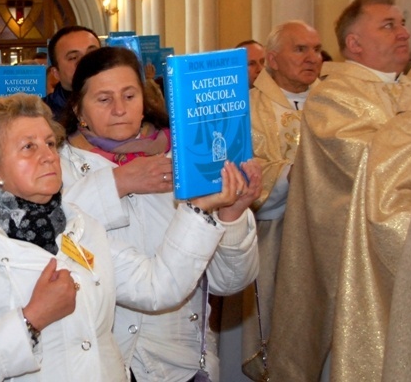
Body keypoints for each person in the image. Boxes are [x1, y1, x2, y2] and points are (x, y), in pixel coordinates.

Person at [0, 93, 253, 381]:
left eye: (50, 143)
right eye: (28, 147)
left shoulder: (79, 224)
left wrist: (201, 209)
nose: (48, 155)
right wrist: (32, 318)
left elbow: (157, 286)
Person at [58, 46, 261, 381]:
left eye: (129, 95)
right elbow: (59, 229)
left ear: (144, 99)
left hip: (178, 362)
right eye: (104, 99)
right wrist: (117, 182)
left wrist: (233, 215)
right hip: (100, 361)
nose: (120, 109)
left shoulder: (185, 160)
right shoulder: (58, 167)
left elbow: (229, 281)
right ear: (79, 108)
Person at [269, 0, 411, 381]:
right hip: (356, 273)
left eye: (402, 23)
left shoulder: (408, 90)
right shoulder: (332, 97)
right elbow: (371, 168)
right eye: (389, 25)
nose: (403, 33)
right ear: (354, 44)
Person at [221, 21, 323, 382]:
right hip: (268, 237)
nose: (313, 58)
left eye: (317, 50)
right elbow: (235, 166)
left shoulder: (335, 106)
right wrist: (290, 174)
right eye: (301, 49)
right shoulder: (245, 106)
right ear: (274, 60)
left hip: (324, 239)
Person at [43, 25, 101, 121]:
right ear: (56, 72)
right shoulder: (41, 115)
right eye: (73, 57)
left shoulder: (123, 105)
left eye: (92, 53)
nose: (86, 61)